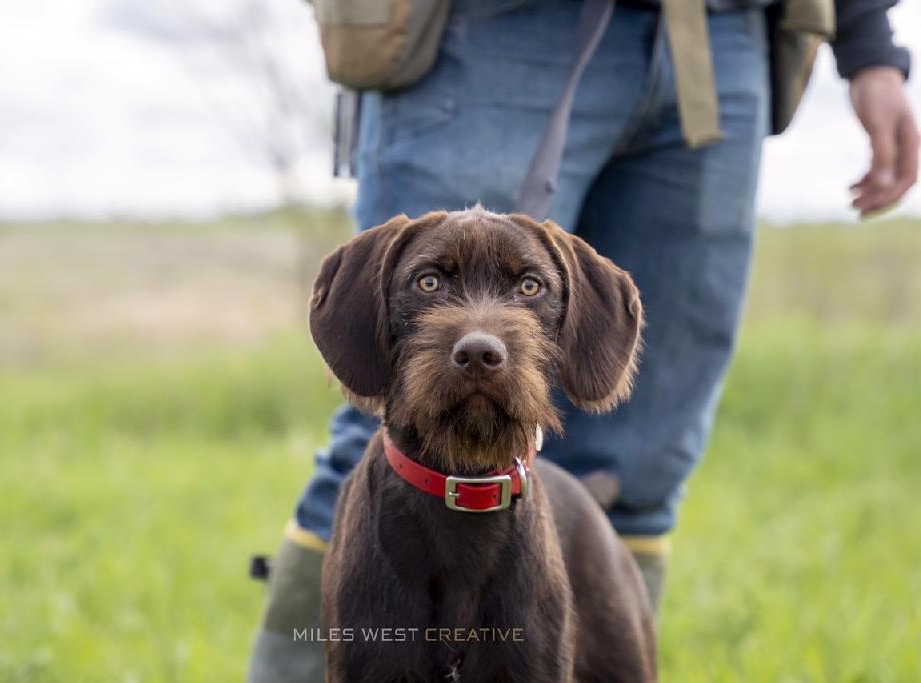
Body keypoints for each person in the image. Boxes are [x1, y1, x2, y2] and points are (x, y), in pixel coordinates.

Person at [249, 0, 916, 679]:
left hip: (719, 37)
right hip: (484, 29)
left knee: (641, 466)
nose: (480, 329)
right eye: (431, 285)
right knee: (377, 445)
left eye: (526, 291)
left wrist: (867, 41)